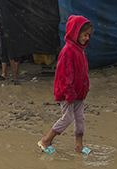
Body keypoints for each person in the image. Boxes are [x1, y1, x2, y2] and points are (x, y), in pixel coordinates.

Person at [38, 15, 93, 154]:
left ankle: (79, 145)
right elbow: (64, 76)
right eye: (85, 35)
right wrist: (69, 94)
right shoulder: (68, 51)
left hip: (79, 93)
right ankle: (46, 140)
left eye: (88, 35)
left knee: (80, 118)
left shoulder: (80, 51)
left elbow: (83, 73)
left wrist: (84, 89)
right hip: (67, 94)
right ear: (76, 33)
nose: (87, 38)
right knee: (67, 118)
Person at [0, 1, 21, 82]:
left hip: (13, 34)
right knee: (3, 54)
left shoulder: (10, 4)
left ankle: (16, 75)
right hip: (2, 34)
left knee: (15, 54)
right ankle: (4, 74)